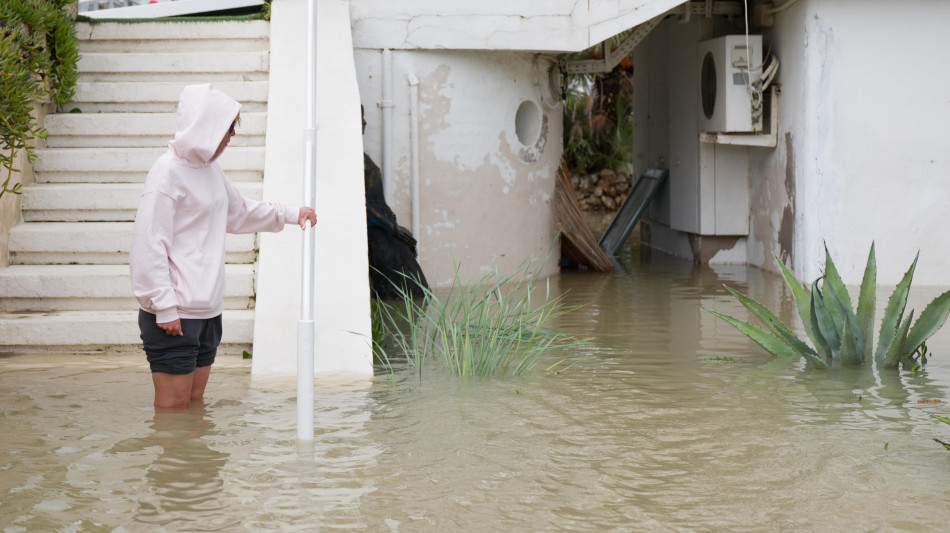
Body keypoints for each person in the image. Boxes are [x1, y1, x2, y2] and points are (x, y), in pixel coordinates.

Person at [130, 84, 316, 409]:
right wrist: (164, 306)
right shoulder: (166, 174)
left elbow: (239, 212)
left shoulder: (209, 170)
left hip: (207, 312)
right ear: (207, 126)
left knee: (194, 404)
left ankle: (199, 462)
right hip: (175, 315)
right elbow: (149, 243)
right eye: (228, 128)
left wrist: (290, 213)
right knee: (173, 411)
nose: (232, 135)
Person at [362, 106, 428, 299]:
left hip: (385, 230)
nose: (365, 123)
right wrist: (396, 230)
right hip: (377, 234)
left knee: (414, 286)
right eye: (360, 118)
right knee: (408, 288)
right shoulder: (356, 162)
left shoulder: (363, 159)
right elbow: (364, 205)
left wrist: (395, 229)